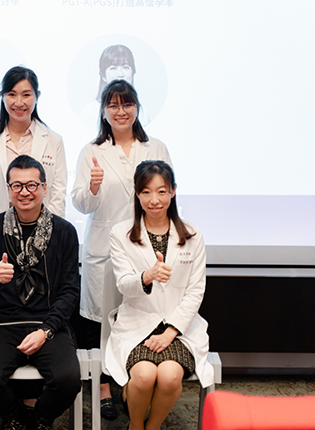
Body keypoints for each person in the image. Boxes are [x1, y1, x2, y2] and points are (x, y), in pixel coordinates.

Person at [70, 79, 172, 419]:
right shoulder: (92, 150)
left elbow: (168, 198)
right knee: (99, 321)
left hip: (146, 249)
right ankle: (102, 386)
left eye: (126, 104)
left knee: (138, 316)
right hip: (103, 248)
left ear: (137, 108)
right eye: (113, 105)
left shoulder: (156, 148)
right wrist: (93, 188)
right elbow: (81, 203)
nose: (120, 111)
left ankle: (131, 383)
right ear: (103, 112)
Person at [0, 155, 81, 430]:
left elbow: (69, 292)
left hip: (49, 325)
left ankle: (40, 418)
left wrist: (46, 331)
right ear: (8, 190)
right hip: (2, 324)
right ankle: (18, 417)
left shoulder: (65, 232)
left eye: (31, 185)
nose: (24, 192)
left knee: (68, 380)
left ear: (44, 188)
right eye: (16, 186)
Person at [105, 160, 213, 430]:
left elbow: (195, 291)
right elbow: (124, 285)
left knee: (169, 377)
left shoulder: (192, 235)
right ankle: (135, 426)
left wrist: (171, 331)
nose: (154, 200)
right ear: (137, 194)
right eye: (146, 192)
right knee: (143, 376)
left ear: (173, 191)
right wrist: (147, 276)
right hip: (137, 324)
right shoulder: (121, 234)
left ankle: (151, 427)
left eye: (161, 191)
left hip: (179, 328)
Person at [0, 66, 67, 224]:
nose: (19, 102)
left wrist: (51, 231)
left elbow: (58, 194)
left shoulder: (53, 140)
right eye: (12, 94)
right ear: (2, 96)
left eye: (26, 95)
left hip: (40, 228)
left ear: (37, 96)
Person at [79, 44, 150, 129]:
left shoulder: (143, 113)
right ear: (103, 75)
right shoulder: (90, 111)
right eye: (113, 68)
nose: (120, 74)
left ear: (133, 72)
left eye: (125, 67)